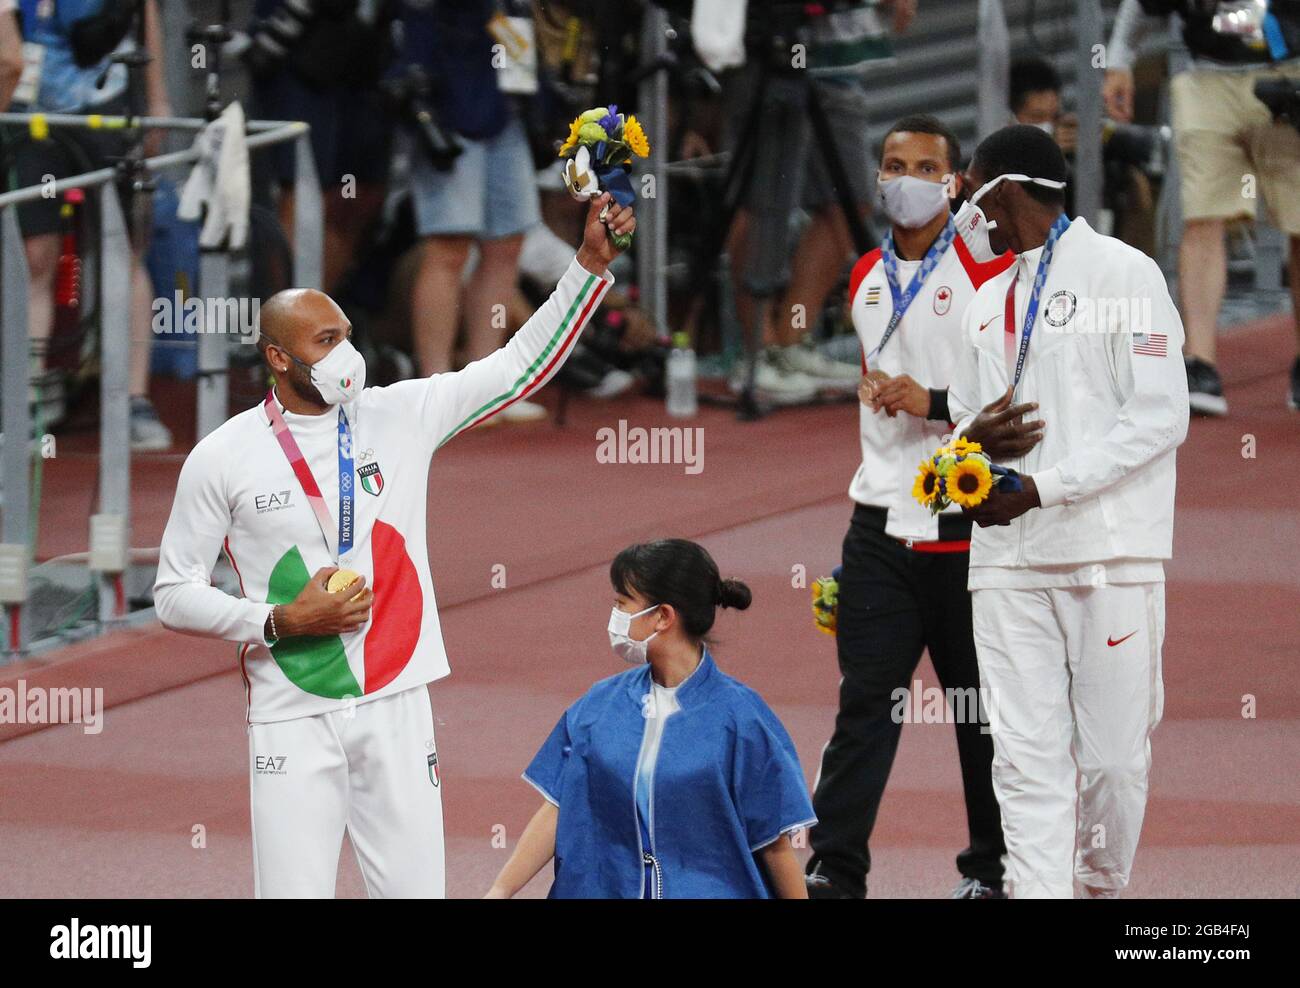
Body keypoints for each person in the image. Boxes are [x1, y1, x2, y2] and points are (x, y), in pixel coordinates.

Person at [153, 192, 633, 898]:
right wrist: (278, 621)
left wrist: (589, 267)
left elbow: (518, 367)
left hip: (398, 701)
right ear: (279, 357)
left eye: (345, 333)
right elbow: (172, 592)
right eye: (324, 341)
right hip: (291, 715)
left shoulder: (400, 415)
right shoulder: (222, 458)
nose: (345, 352)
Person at [947, 124, 1189, 898]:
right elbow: (961, 431)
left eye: (969, 190)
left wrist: (1044, 490)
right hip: (1006, 569)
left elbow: (1160, 416)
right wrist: (966, 458)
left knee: (1115, 762)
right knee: (1023, 765)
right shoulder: (982, 305)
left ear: (1004, 191)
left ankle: (1098, 890)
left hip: (1110, 555)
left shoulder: (1127, 274)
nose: (962, 209)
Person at [803, 115, 1012, 901]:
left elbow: (1014, 397)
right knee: (865, 708)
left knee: (981, 719)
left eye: (926, 166)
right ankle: (836, 869)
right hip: (880, 527)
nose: (907, 179)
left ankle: (990, 873)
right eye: (894, 164)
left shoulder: (988, 274)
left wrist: (935, 402)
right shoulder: (862, 277)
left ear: (956, 183)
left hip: (968, 527)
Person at [486, 539, 816, 899]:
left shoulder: (741, 719)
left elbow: (774, 845)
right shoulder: (598, 706)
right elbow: (559, 806)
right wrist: (501, 890)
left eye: (622, 603)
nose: (615, 615)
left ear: (663, 616)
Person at [1105, 0, 1300, 414]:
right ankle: (1201, 364)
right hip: (1207, 80)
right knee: (1202, 216)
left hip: (1290, 74)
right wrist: (1120, 60)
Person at [723, 0, 919, 404]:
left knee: (849, 202)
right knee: (759, 200)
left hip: (838, 58)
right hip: (771, 49)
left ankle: (792, 343)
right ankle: (759, 352)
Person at [7, 0, 172, 448]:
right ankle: (26, 401)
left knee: (125, 251)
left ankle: (133, 401)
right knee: (35, 255)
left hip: (109, 103)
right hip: (32, 111)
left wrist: (156, 98)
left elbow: (145, 9)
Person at [400, 0, 547, 423]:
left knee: (506, 245)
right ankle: (435, 390)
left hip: (507, 105)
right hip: (446, 104)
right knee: (448, 248)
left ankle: (488, 390)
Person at [245, 0, 398, 294]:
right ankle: (286, 322)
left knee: (361, 194)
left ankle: (316, 311)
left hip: (371, 39)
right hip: (303, 38)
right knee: (302, 189)